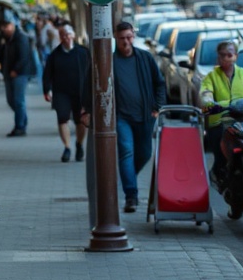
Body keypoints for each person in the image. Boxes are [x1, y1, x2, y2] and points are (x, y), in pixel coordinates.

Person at [82, 20, 165, 213]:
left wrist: (157, 107)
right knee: (126, 152)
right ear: (115, 39)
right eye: (121, 39)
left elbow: (159, 84)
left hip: (145, 116)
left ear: (133, 36)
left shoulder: (145, 58)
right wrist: (86, 109)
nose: (126, 42)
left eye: (128, 37)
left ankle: (128, 178)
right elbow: (90, 85)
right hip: (120, 117)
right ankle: (131, 196)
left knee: (144, 154)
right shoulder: (109, 62)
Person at [199, 39, 243, 185]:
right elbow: (205, 96)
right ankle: (218, 174)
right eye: (222, 55)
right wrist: (211, 103)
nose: (226, 58)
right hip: (220, 122)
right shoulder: (211, 77)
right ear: (218, 57)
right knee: (221, 155)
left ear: (236, 56)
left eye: (229, 54)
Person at [42, 24, 90, 162]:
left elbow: (92, 72)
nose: (66, 37)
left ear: (73, 36)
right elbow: (47, 75)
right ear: (60, 37)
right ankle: (67, 147)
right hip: (61, 93)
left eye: (68, 34)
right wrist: (46, 90)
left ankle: (79, 144)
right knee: (62, 118)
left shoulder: (83, 52)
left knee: (80, 121)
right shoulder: (54, 55)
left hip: (80, 93)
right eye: (63, 35)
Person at [0, 14, 37, 137]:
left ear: (13, 25)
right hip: (8, 73)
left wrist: (16, 70)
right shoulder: (7, 39)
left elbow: (24, 56)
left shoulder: (21, 38)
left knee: (18, 101)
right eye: (3, 26)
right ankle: (22, 121)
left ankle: (19, 127)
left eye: (7, 26)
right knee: (11, 101)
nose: (5, 29)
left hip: (20, 74)